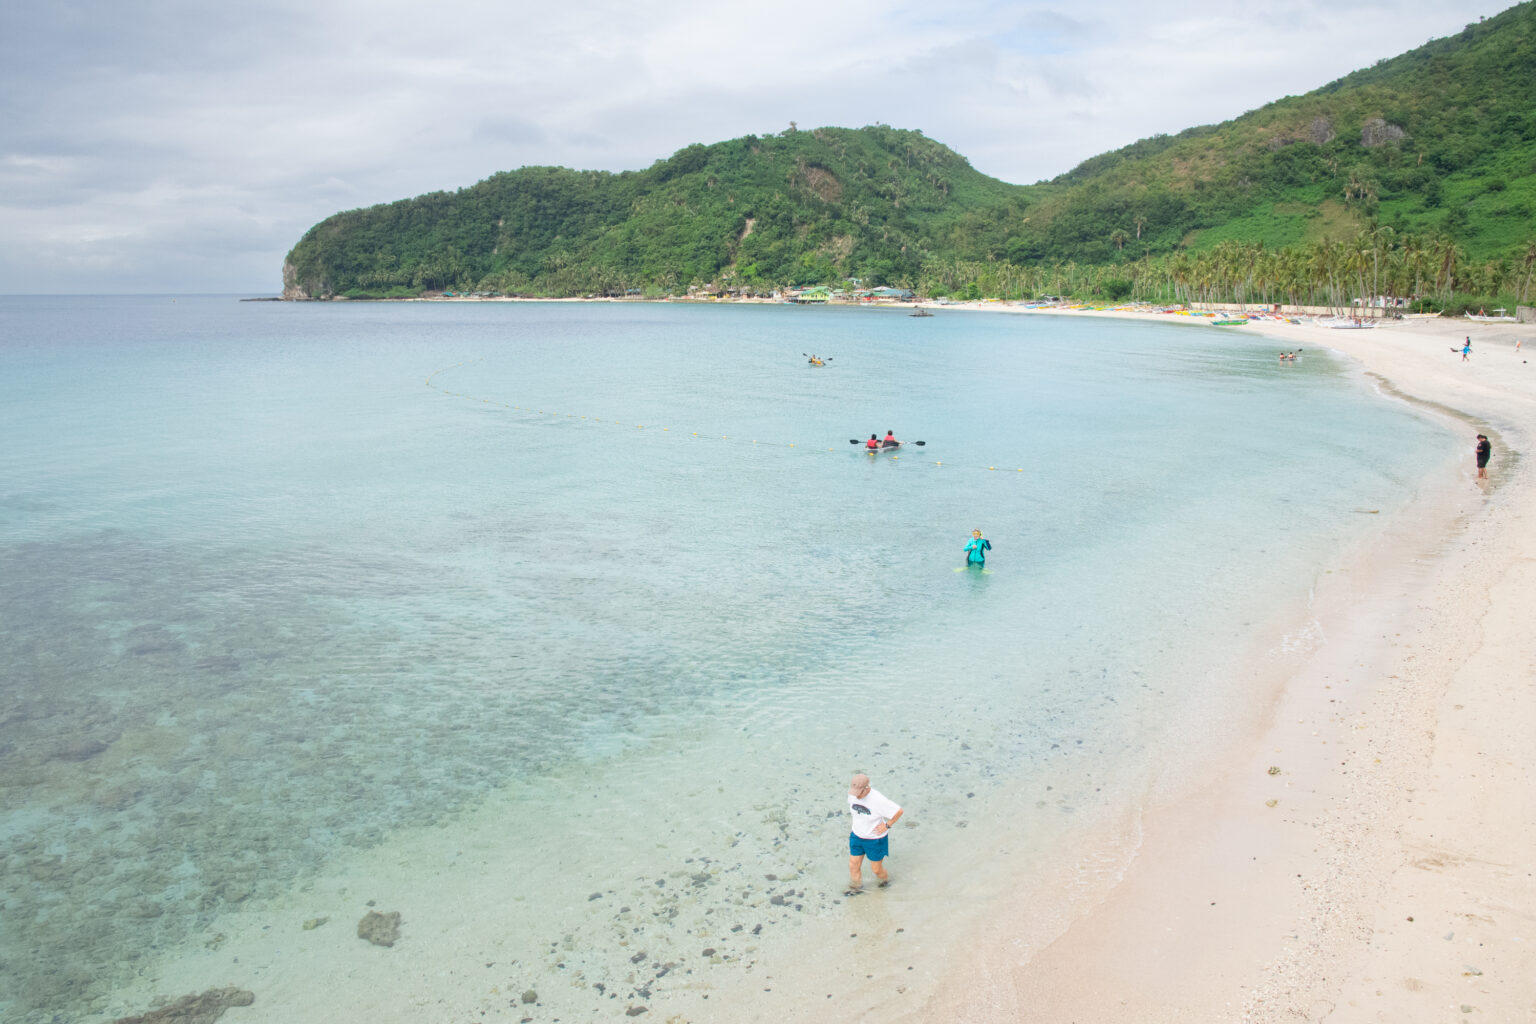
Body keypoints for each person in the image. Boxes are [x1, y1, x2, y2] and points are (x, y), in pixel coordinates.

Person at [846, 773, 903, 893]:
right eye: (854, 792)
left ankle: (885, 882)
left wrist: (887, 825)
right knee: (853, 865)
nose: (856, 796)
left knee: (876, 870)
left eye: (859, 793)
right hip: (856, 836)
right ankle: (856, 889)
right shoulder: (853, 795)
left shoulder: (878, 800)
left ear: (867, 789)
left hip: (875, 840)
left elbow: (898, 811)